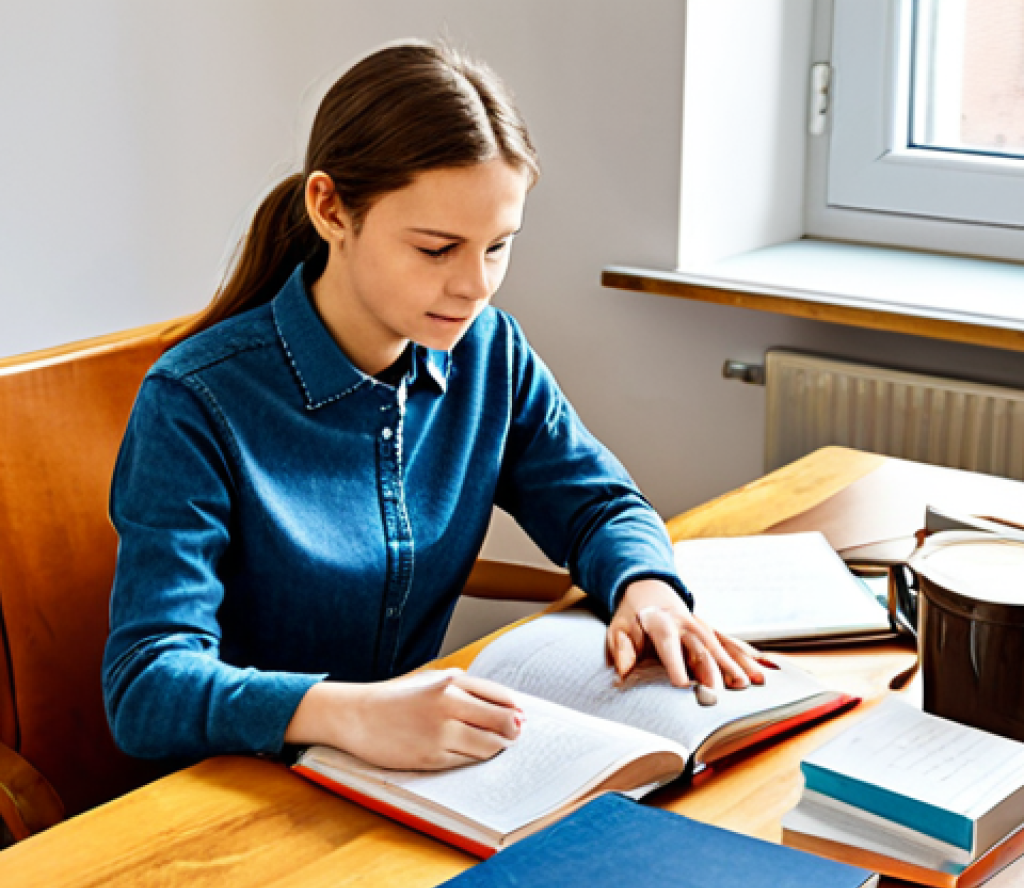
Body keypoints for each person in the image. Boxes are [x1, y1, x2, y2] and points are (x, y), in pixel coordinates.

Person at [102, 41, 769, 774]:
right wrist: (348, 711)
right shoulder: (194, 402)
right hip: (230, 795)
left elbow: (601, 506)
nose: (475, 287)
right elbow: (146, 685)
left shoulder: (489, 353)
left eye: (497, 247)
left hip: (410, 778)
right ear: (330, 208)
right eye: (436, 248)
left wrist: (646, 586)